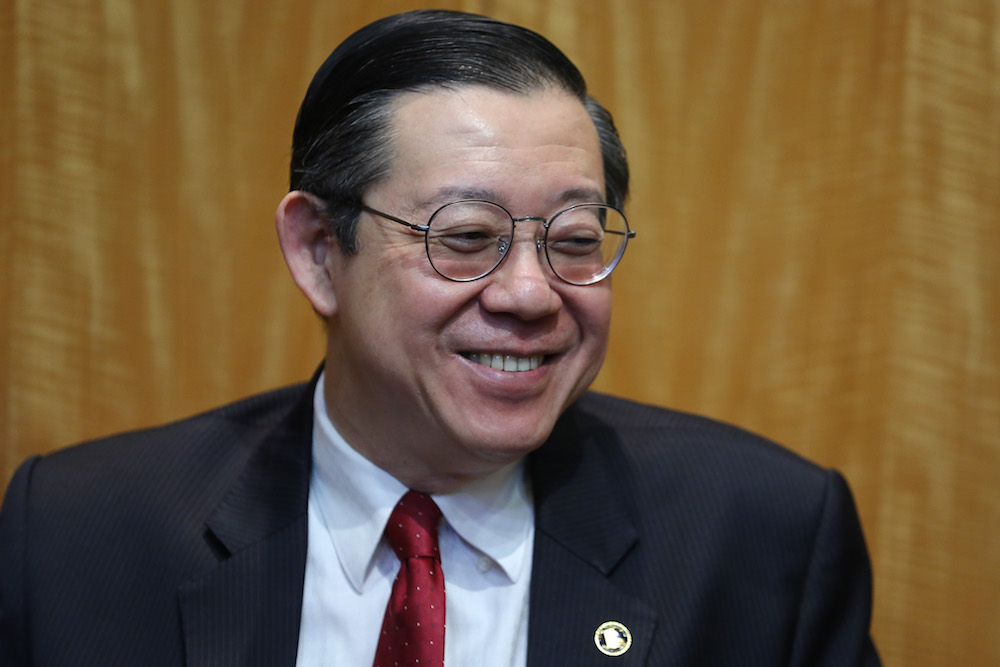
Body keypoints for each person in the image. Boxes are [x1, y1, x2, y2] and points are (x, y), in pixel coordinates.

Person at [0, 9, 880, 666]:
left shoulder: (762, 538)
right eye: (465, 239)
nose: (533, 294)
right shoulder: (79, 533)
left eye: (574, 241)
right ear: (317, 251)